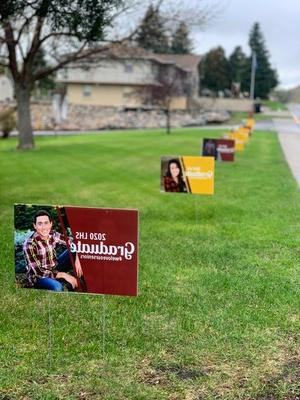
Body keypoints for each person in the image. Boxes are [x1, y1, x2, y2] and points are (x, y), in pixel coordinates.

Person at [23, 210, 83, 292]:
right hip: (39, 278)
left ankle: (85, 282)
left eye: (46, 223)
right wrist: (64, 275)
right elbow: (39, 272)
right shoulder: (29, 244)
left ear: (51, 224)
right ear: (35, 226)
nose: (44, 227)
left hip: (54, 268)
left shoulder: (53, 235)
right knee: (57, 288)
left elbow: (73, 242)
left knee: (75, 251)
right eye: (40, 224)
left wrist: (78, 259)